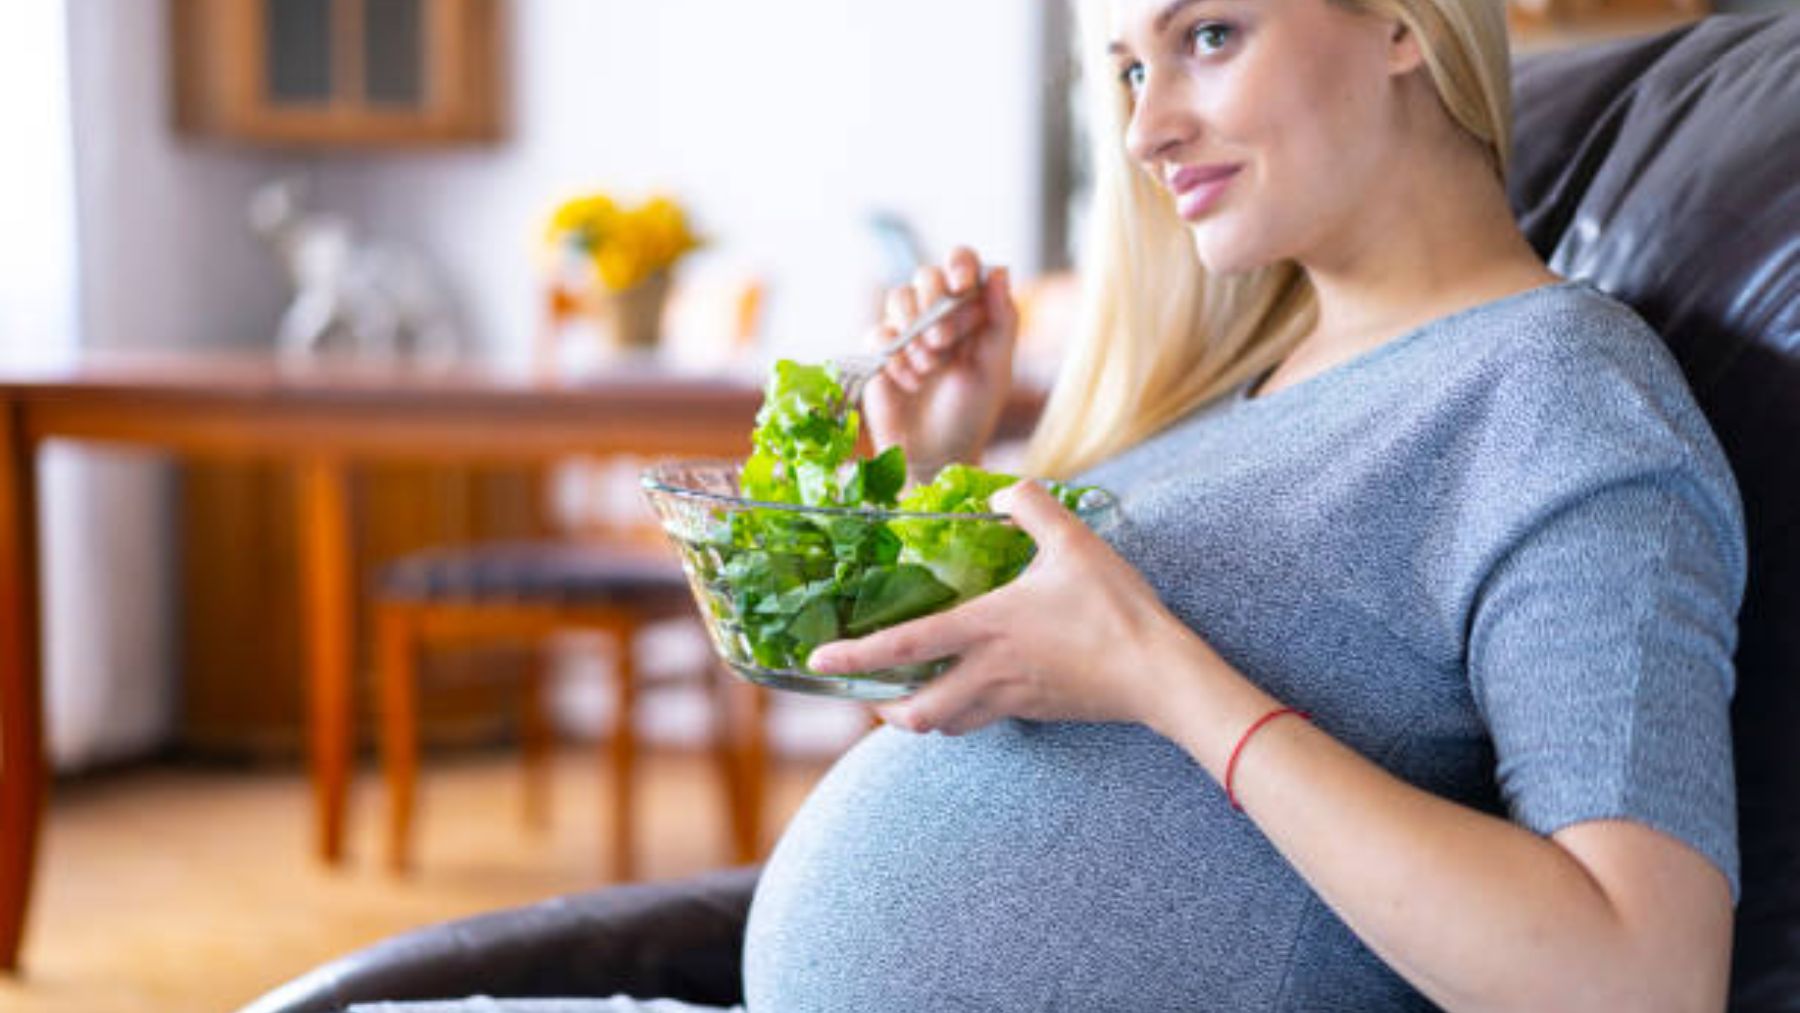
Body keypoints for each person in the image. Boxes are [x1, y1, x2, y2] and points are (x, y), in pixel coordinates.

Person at [741, 0, 1745, 1010]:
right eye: (1132, 69)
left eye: (1209, 37)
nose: (1145, 130)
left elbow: (1643, 975)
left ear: (1406, 26)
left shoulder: (1560, 395)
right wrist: (928, 473)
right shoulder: (1232, 388)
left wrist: (1160, 672)